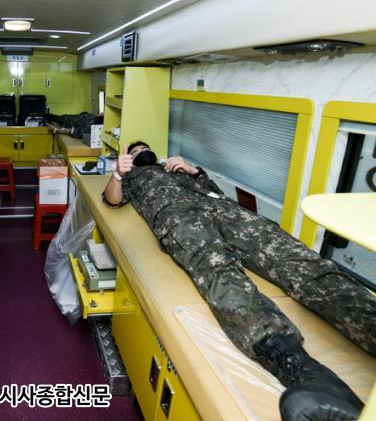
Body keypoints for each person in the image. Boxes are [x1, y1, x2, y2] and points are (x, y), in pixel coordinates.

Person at [103, 141, 375, 420]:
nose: (141, 153)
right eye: (135, 152)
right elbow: (112, 200)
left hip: (230, 214)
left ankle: (369, 322)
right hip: (179, 217)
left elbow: (216, 193)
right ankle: (304, 371)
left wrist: (193, 170)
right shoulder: (133, 177)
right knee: (219, 273)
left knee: (296, 260)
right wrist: (119, 174)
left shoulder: (174, 168)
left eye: (145, 149)